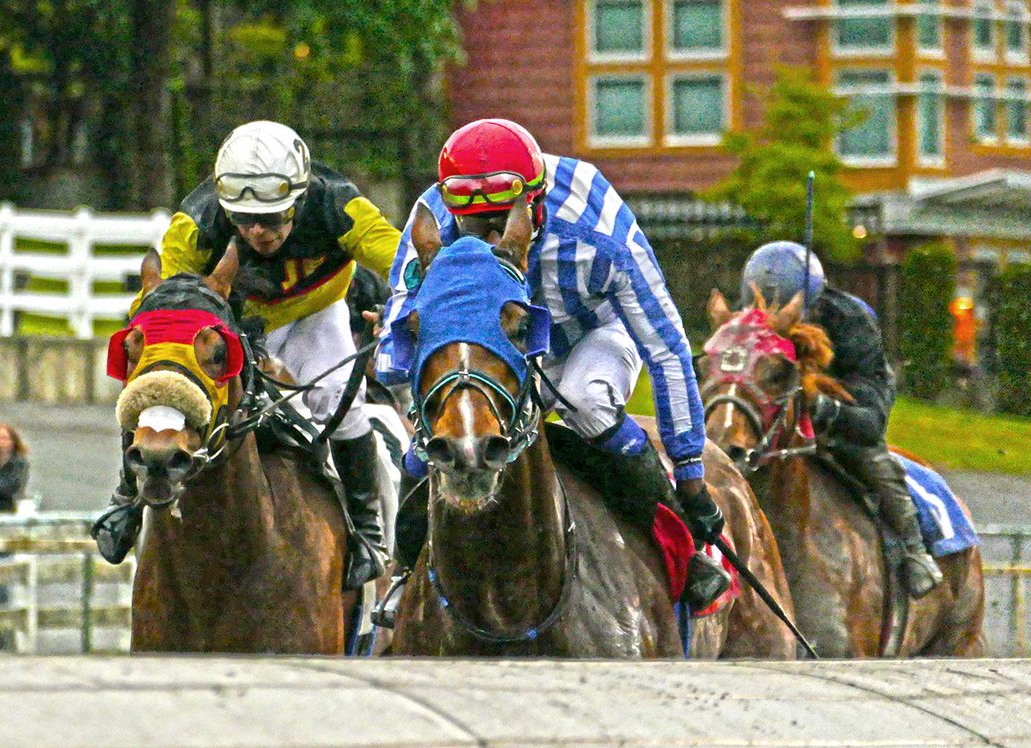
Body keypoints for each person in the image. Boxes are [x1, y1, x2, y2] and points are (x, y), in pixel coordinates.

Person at [376, 118, 730, 609]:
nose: (493, 235)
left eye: (503, 221)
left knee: (586, 403)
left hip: (591, 332)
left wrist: (690, 470)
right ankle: (404, 573)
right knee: (430, 447)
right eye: (475, 226)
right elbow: (400, 325)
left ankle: (686, 553)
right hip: (502, 349)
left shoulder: (597, 230)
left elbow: (666, 347)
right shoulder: (435, 215)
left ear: (534, 203)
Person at [91, 120, 402, 591]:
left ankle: (367, 532)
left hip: (316, 316)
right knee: (159, 386)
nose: (259, 231)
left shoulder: (340, 205)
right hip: (233, 323)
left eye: (273, 218)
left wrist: (403, 305)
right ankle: (125, 501)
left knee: (341, 404)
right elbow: (156, 310)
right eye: (243, 219)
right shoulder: (194, 225)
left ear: (299, 199)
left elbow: (402, 259)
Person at [740, 241, 943, 598]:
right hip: (775, 422)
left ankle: (915, 551)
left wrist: (818, 407)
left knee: (873, 461)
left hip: (847, 412)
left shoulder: (850, 320)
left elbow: (870, 420)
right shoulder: (748, 325)